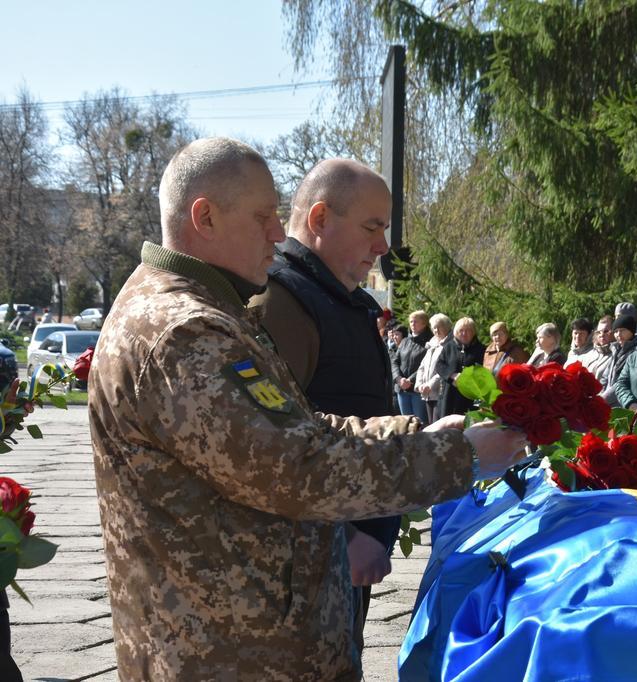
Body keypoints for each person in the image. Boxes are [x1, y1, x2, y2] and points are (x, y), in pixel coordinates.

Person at [88, 137, 526, 680]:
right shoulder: (184, 333)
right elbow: (295, 469)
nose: (277, 232)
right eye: (263, 216)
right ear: (204, 217)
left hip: (250, 643)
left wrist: (423, 433)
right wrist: (454, 456)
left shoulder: (207, 313)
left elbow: (298, 430)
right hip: (226, 654)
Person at [248, 158, 402, 657]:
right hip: (306, 569)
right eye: (371, 228)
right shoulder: (282, 302)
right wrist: (347, 534)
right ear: (319, 220)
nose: (382, 246)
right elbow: (272, 447)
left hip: (339, 565)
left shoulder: (337, 299)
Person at [437, 317, 486, 418]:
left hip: (470, 396)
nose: (464, 333)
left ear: (473, 332)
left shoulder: (481, 349)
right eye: (461, 330)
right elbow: (439, 365)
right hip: (449, 395)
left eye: (468, 330)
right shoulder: (449, 347)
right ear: (456, 332)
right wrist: (452, 375)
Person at [392, 310, 431, 421]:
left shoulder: (429, 342)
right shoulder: (405, 341)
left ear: (424, 324)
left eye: (415, 322)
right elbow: (394, 361)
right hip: (401, 389)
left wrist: (410, 380)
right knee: (406, 423)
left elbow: (426, 366)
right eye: (411, 322)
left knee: (420, 422)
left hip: (417, 390)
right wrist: (399, 378)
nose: (412, 324)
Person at [415, 313, 454, 424]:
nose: (436, 330)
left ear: (446, 327)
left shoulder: (450, 345)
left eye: (439, 327)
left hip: (439, 393)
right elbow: (422, 366)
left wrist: (430, 384)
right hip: (427, 394)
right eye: (434, 328)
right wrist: (419, 384)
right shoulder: (432, 344)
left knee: (438, 425)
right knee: (429, 424)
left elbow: (445, 368)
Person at [599, 314, 637, 406]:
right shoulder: (615, 349)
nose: (618, 334)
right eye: (616, 331)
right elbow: (605, 377)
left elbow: (622, 381)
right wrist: (599, 394)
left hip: (623, 404)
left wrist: (602, 399)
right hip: (607, 402)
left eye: (622, 330)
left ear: (631, 331)